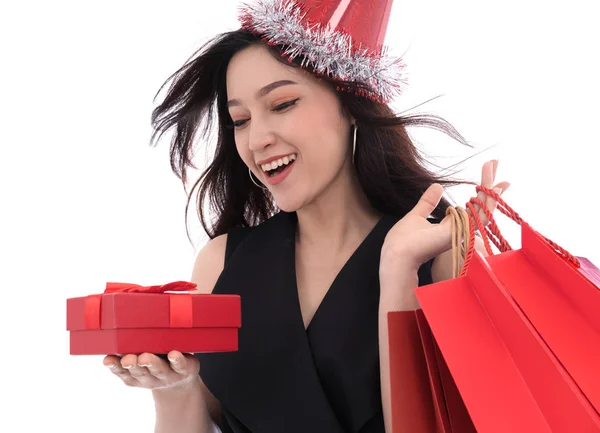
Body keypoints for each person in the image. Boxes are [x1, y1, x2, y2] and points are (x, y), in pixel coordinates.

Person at [102, 0, 509, 432]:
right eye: (239, 120)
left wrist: (398, 271)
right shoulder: (221, 264)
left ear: (350, 104)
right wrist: (174, 390)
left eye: (282, 104)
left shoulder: (441, 255)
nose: (257, 139)